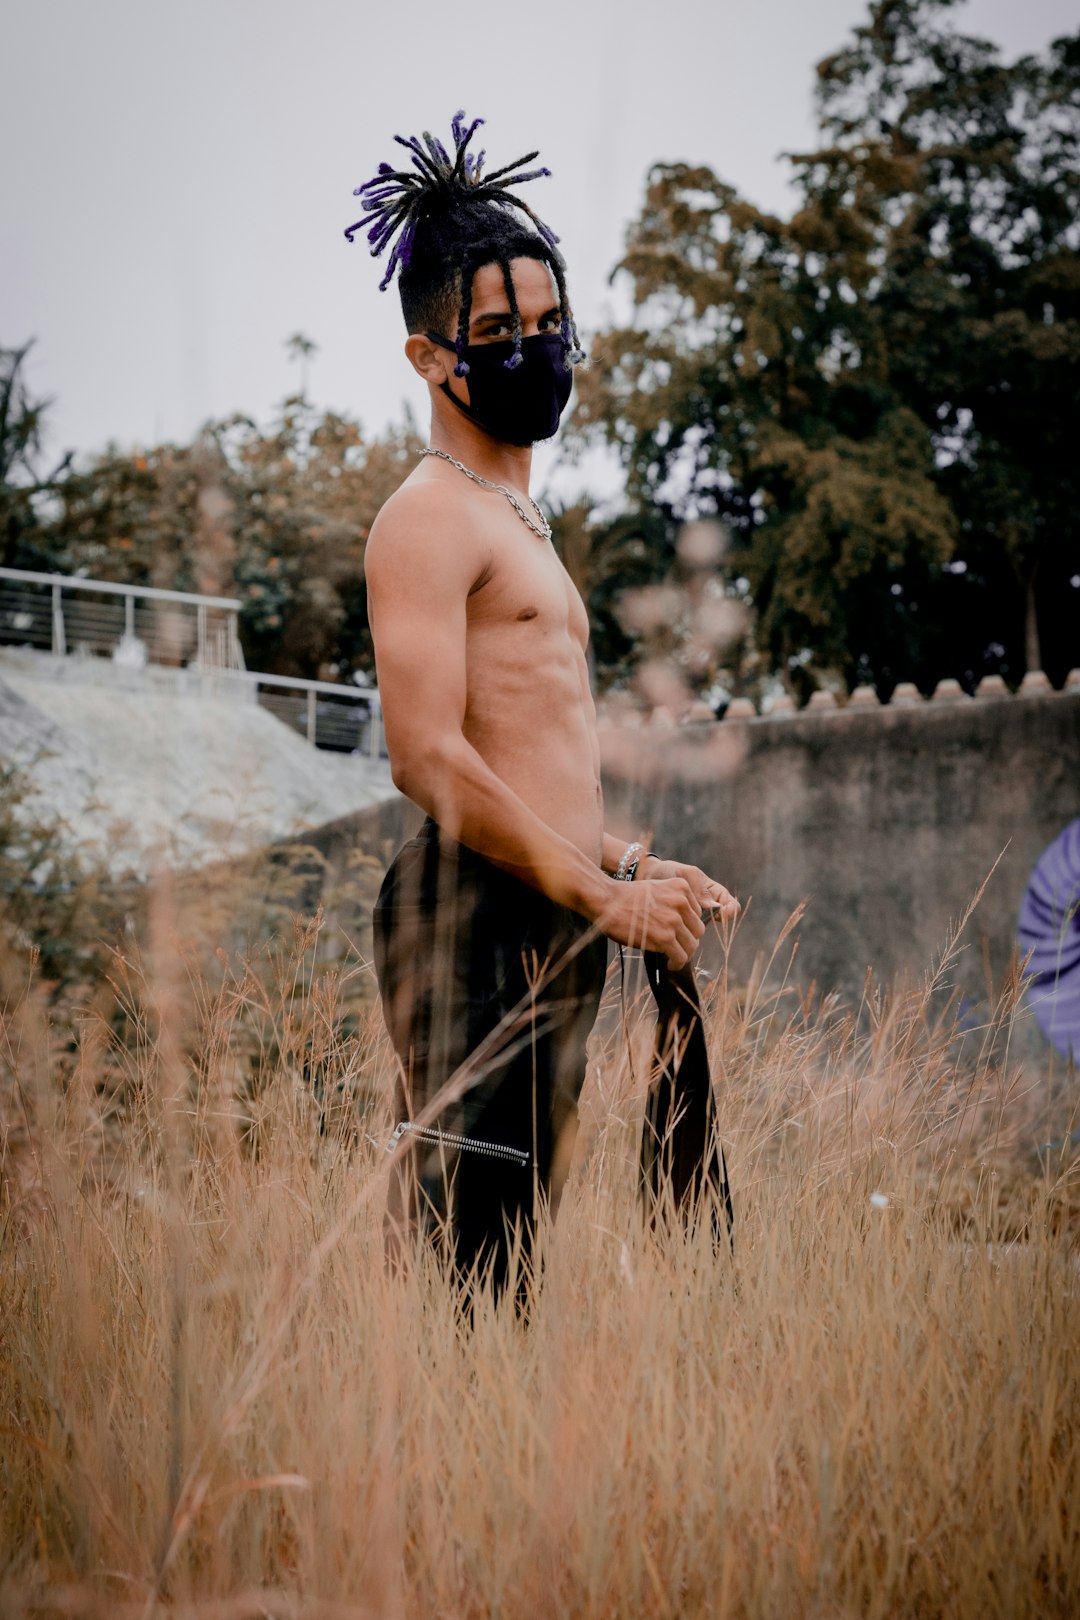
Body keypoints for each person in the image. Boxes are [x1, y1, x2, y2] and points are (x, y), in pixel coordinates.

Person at [347, 112, 738, 1293]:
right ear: (430, 357)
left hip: (552, 901)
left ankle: (475, 1462)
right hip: (473, 912)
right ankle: (425, 1467)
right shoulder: (426, 515)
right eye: (498, 331)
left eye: (548, 324)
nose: (536, 347)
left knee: (514, 1249)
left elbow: (522, 747)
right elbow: (424, 757)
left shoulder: (517, 521)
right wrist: (602, 901)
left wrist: (624, 864)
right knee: (475, 1263)